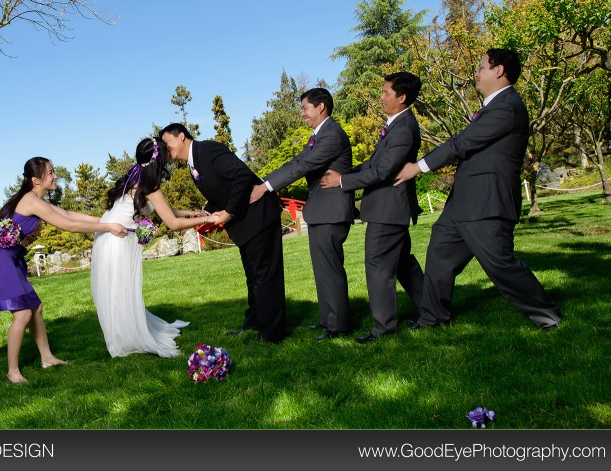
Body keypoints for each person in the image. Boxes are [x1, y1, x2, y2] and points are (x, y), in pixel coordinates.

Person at [393, 48, 562, 331]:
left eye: (481, 67)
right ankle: (433, 318)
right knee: (439, 255)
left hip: (488, 204)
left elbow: (462, 143)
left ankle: (548, 315)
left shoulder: (508, 107)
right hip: (463, 204)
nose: (476, 73)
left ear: (498, 71)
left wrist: (417, 167)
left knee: (500, 265)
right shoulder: (493, 107)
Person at [0, 157, 128, 382]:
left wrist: (107, 219)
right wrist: (108, 227)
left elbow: (69, 215)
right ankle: (13, 372)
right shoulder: (30, 200)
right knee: (22, 313)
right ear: (36, 179)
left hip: (9, 258)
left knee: (35, 307)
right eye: (50, 172)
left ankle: (47, 357)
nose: (55, 176)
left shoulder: (34, 199)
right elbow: (69, 225)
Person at [320, 72, 425, 343]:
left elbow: (382, 171)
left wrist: (342, 181)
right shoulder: (396, 125)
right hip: (390, 208)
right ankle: (433, 310)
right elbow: (372, 165)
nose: (381, 97)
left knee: (378, 268)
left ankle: (383, 329)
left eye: (385, 92)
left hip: (387, 209)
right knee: (403, 264)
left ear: (401, 98)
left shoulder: (403, 129)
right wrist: (347, 172)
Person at [91, 137, 218, 357]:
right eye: (167, 152)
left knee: (121, 290)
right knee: (121, 289)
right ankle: (126, 338)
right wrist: (208, 219)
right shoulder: (150, 186)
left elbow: (164, 209)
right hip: (117, 239)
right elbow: (172, 223)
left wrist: (192, 213)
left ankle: (123, 332)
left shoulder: (137, 177)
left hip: (108, 237)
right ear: (160, 159)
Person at [161, 123, 287, 343]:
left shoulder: (208, 150)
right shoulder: (193, 163)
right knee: (253, 276)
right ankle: (254, 322)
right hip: (246, 224)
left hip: (259, 217)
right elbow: (222, 189)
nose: (165, 148)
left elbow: (242, 175)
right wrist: (208, 210)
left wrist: (229, 212)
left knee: (265, 276)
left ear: (181, 136)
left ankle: (272, 333)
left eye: (166, 142)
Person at [248, 88, 354, 340]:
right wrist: (264, 181)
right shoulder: (319, 135)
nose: (302, 114)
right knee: (322, 269)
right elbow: (296, 162)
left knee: (330, 269)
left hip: (331, 210)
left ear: (321, 107)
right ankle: (328, 319)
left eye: (305, 108)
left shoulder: (332, 135)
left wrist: (265, 187)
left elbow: (304, 165)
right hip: (321, 210)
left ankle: (339, 325)